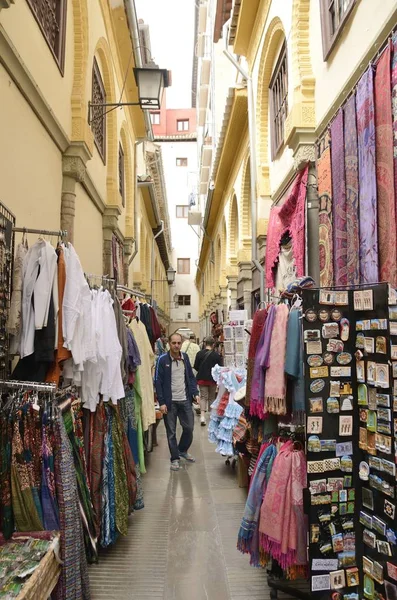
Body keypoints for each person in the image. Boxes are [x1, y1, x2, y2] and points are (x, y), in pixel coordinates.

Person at [155, 332, 200, 471]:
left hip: (185, 399)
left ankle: (182, 449)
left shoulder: (185, 357)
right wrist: (161, 402)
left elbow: (190, 378)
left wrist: (195, 393)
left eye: (178, 343)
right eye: (173, 343)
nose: (176, 345)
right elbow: (158, 381)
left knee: (189, 428)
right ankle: (175, 458)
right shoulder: (162, 360)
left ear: (181, 343)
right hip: (170, 402)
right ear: (169, 343)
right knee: (171, 432)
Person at [194, 336, 223, 426]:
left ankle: (202, 416)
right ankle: (212, 416)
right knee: (211, 398)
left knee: (203, 397)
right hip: (213, 379)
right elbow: (220, 368)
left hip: (202, 378)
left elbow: (195, 366)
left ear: (205, 344)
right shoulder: (216, 355)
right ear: (213, 344)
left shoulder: (199, 354)